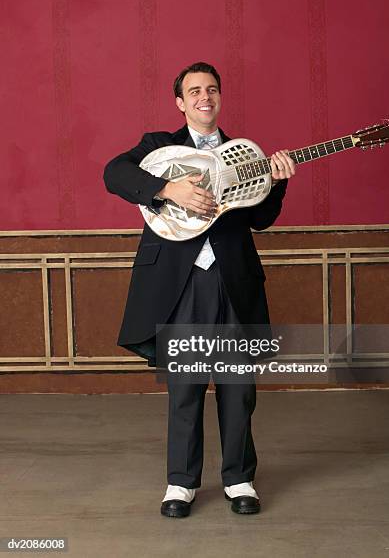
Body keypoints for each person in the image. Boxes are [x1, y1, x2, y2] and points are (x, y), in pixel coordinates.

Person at [103, 62, 295, 518]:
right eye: (194, 91)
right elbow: (114, 173)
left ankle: (239, 478)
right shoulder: (158, 146)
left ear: (220, 98)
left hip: (232, 280)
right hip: (180, 283)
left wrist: (278, 183)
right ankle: (181, 483)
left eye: (211, 89)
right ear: (180, 102)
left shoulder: (243, 154)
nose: (203, 97)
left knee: (237, 386)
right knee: (184, 386)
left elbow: (259, 219)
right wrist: (170, 188)